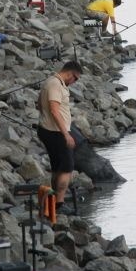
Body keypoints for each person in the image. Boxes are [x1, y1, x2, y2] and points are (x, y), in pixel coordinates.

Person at [36, 60, 83, 214]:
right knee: (67, 168)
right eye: (75, 78)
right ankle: (60, 203)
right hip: (55, 132)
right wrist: (66, 135)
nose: (74, 82)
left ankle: (53, 203)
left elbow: (39, 104)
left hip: (48, 130)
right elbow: (54, 110)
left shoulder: (50, 82)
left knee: (57, 167)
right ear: (69, 73)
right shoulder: (55, 84)